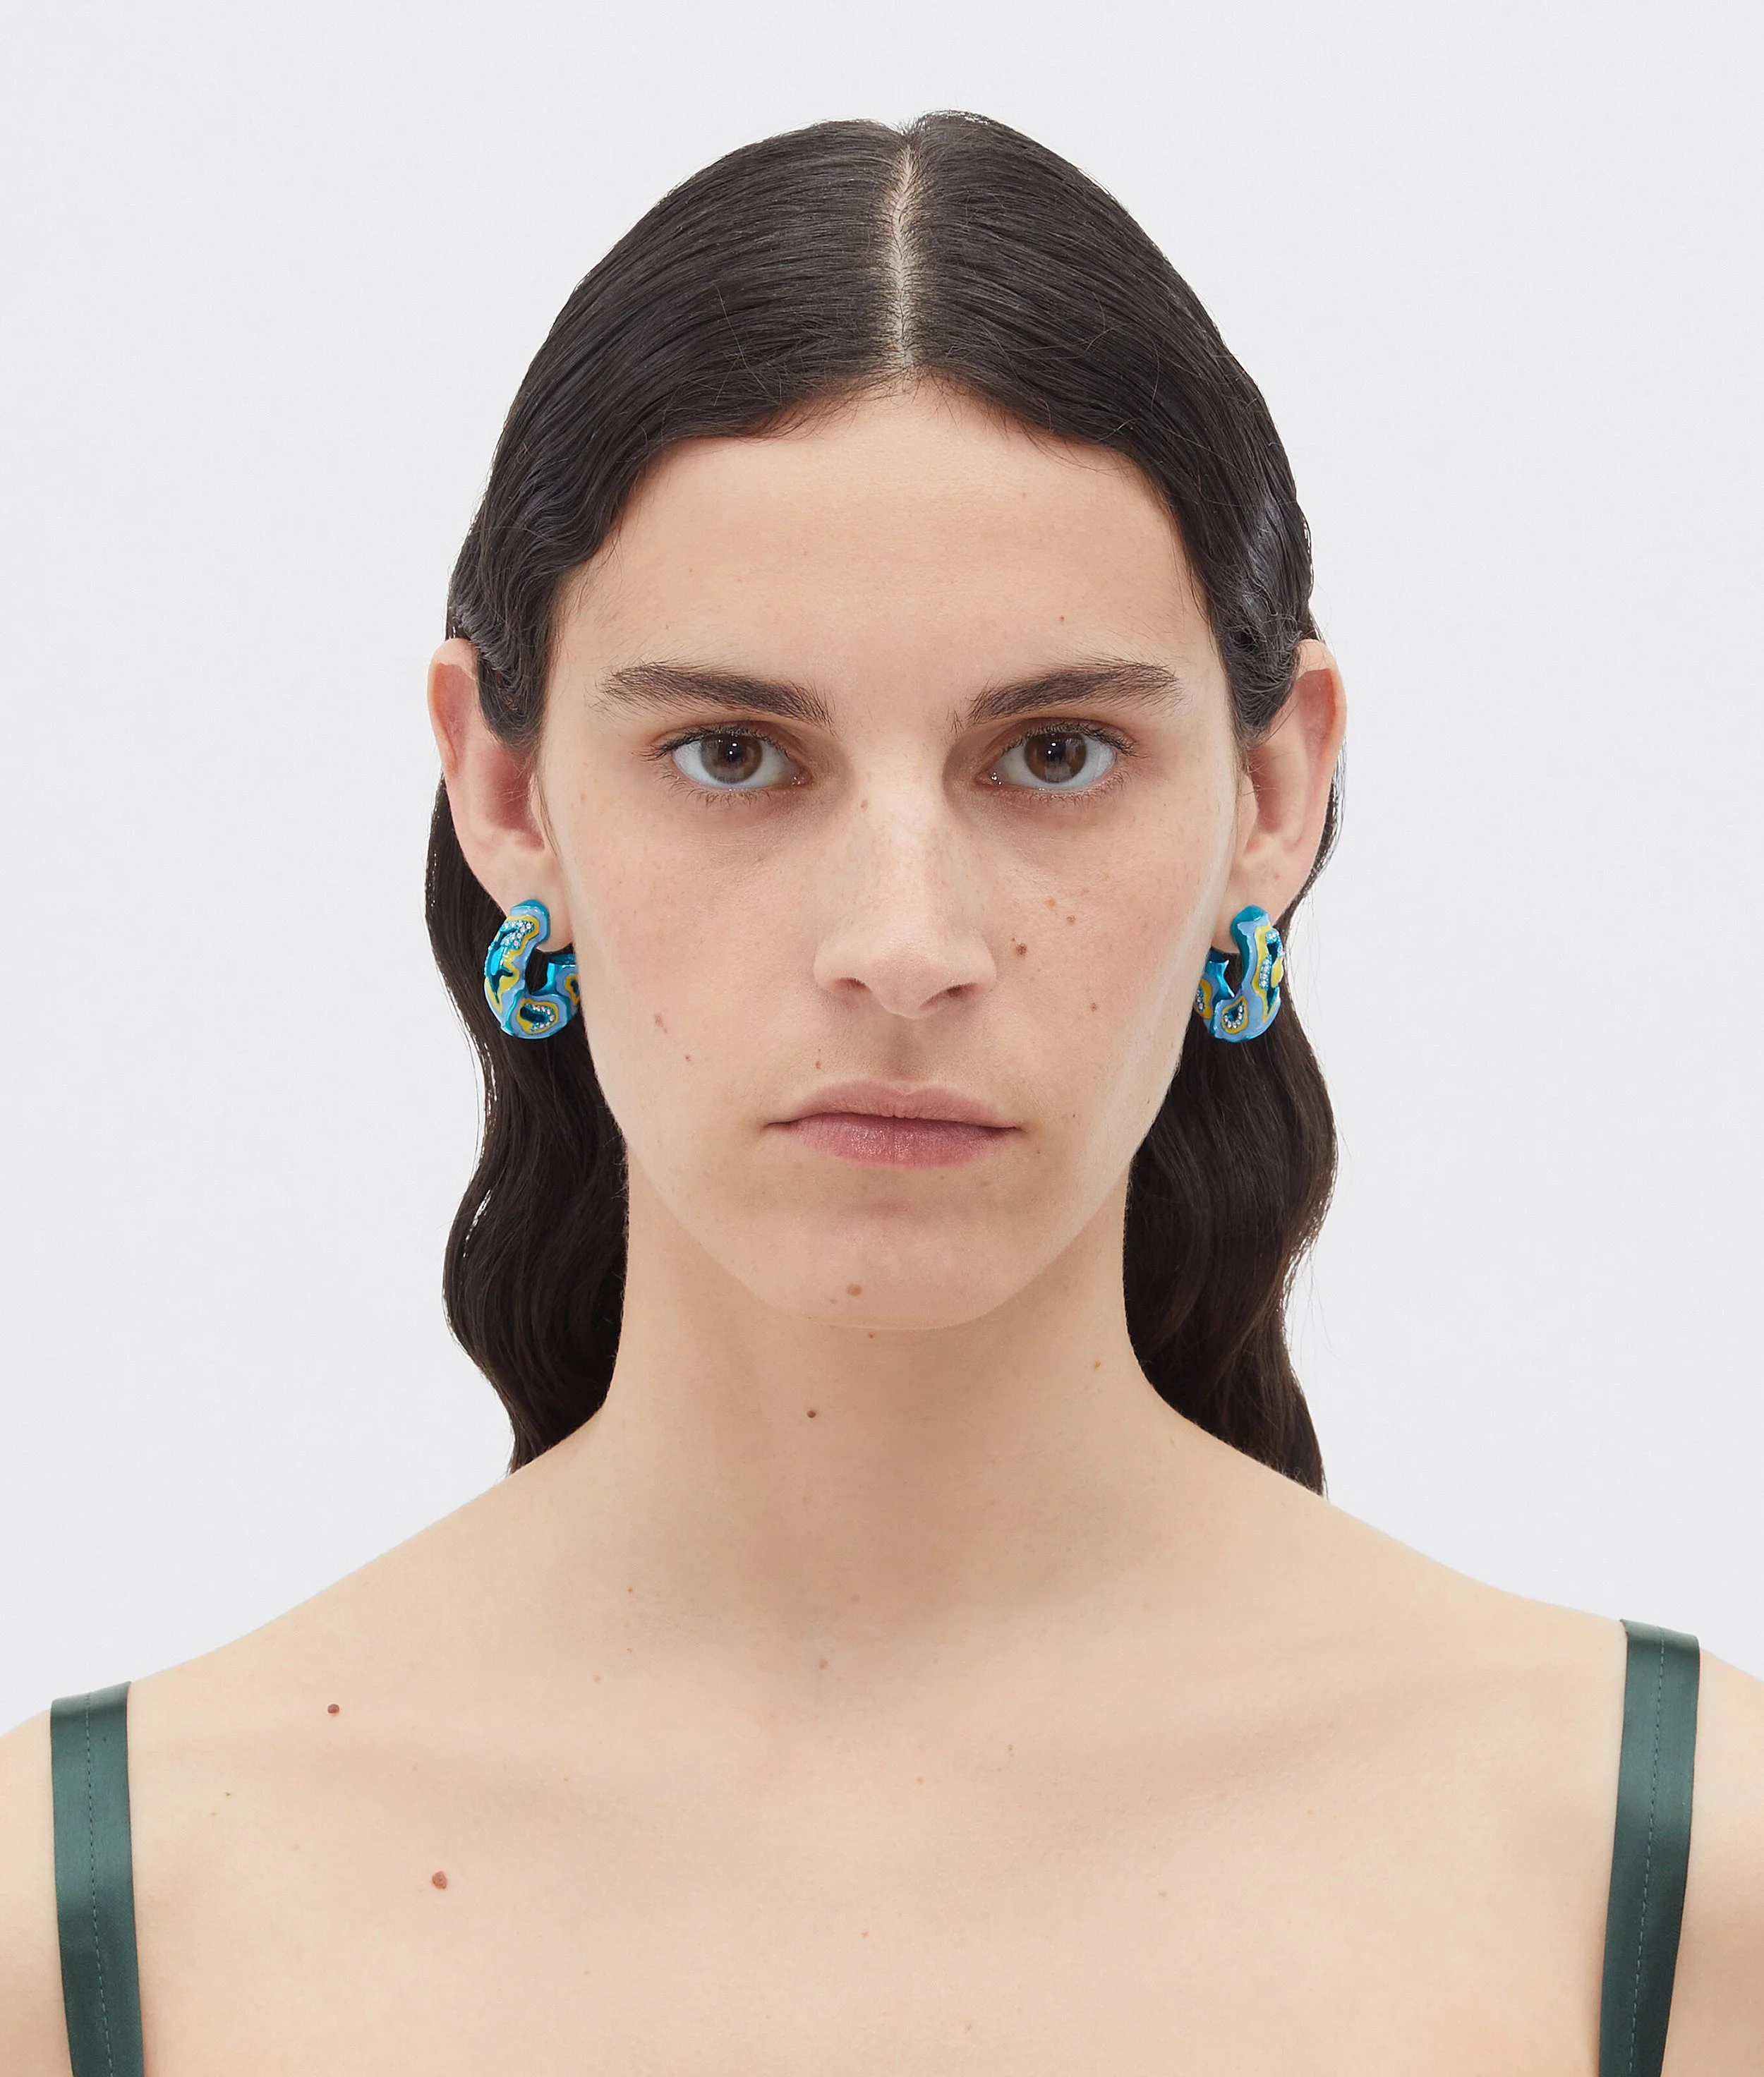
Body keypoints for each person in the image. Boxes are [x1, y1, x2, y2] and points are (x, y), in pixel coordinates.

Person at [1, 111, 1758, 2076]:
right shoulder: (88, 1921)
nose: (903, 943)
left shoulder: (1675, 1883)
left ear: (1272, 796)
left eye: (1056, 752)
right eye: (734, 753)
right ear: (505, 791)